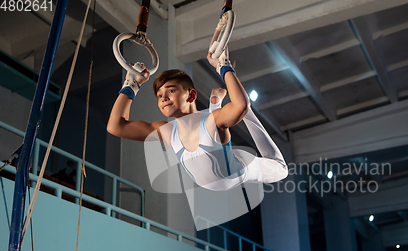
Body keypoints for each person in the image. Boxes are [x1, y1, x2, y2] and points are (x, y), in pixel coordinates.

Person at [107, 48, 288, 192]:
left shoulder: (211, 122)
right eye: (159, 95)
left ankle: (218, 106)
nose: (163, 98)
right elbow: (116, 127)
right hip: (217, 167)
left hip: (238, 170)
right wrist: (132, 85)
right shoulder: (167, 131)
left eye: (171, 90)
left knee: (281, 168)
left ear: (191, 95)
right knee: (230, 112)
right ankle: (216, 104)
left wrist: (222, 65)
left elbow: (241, 105)